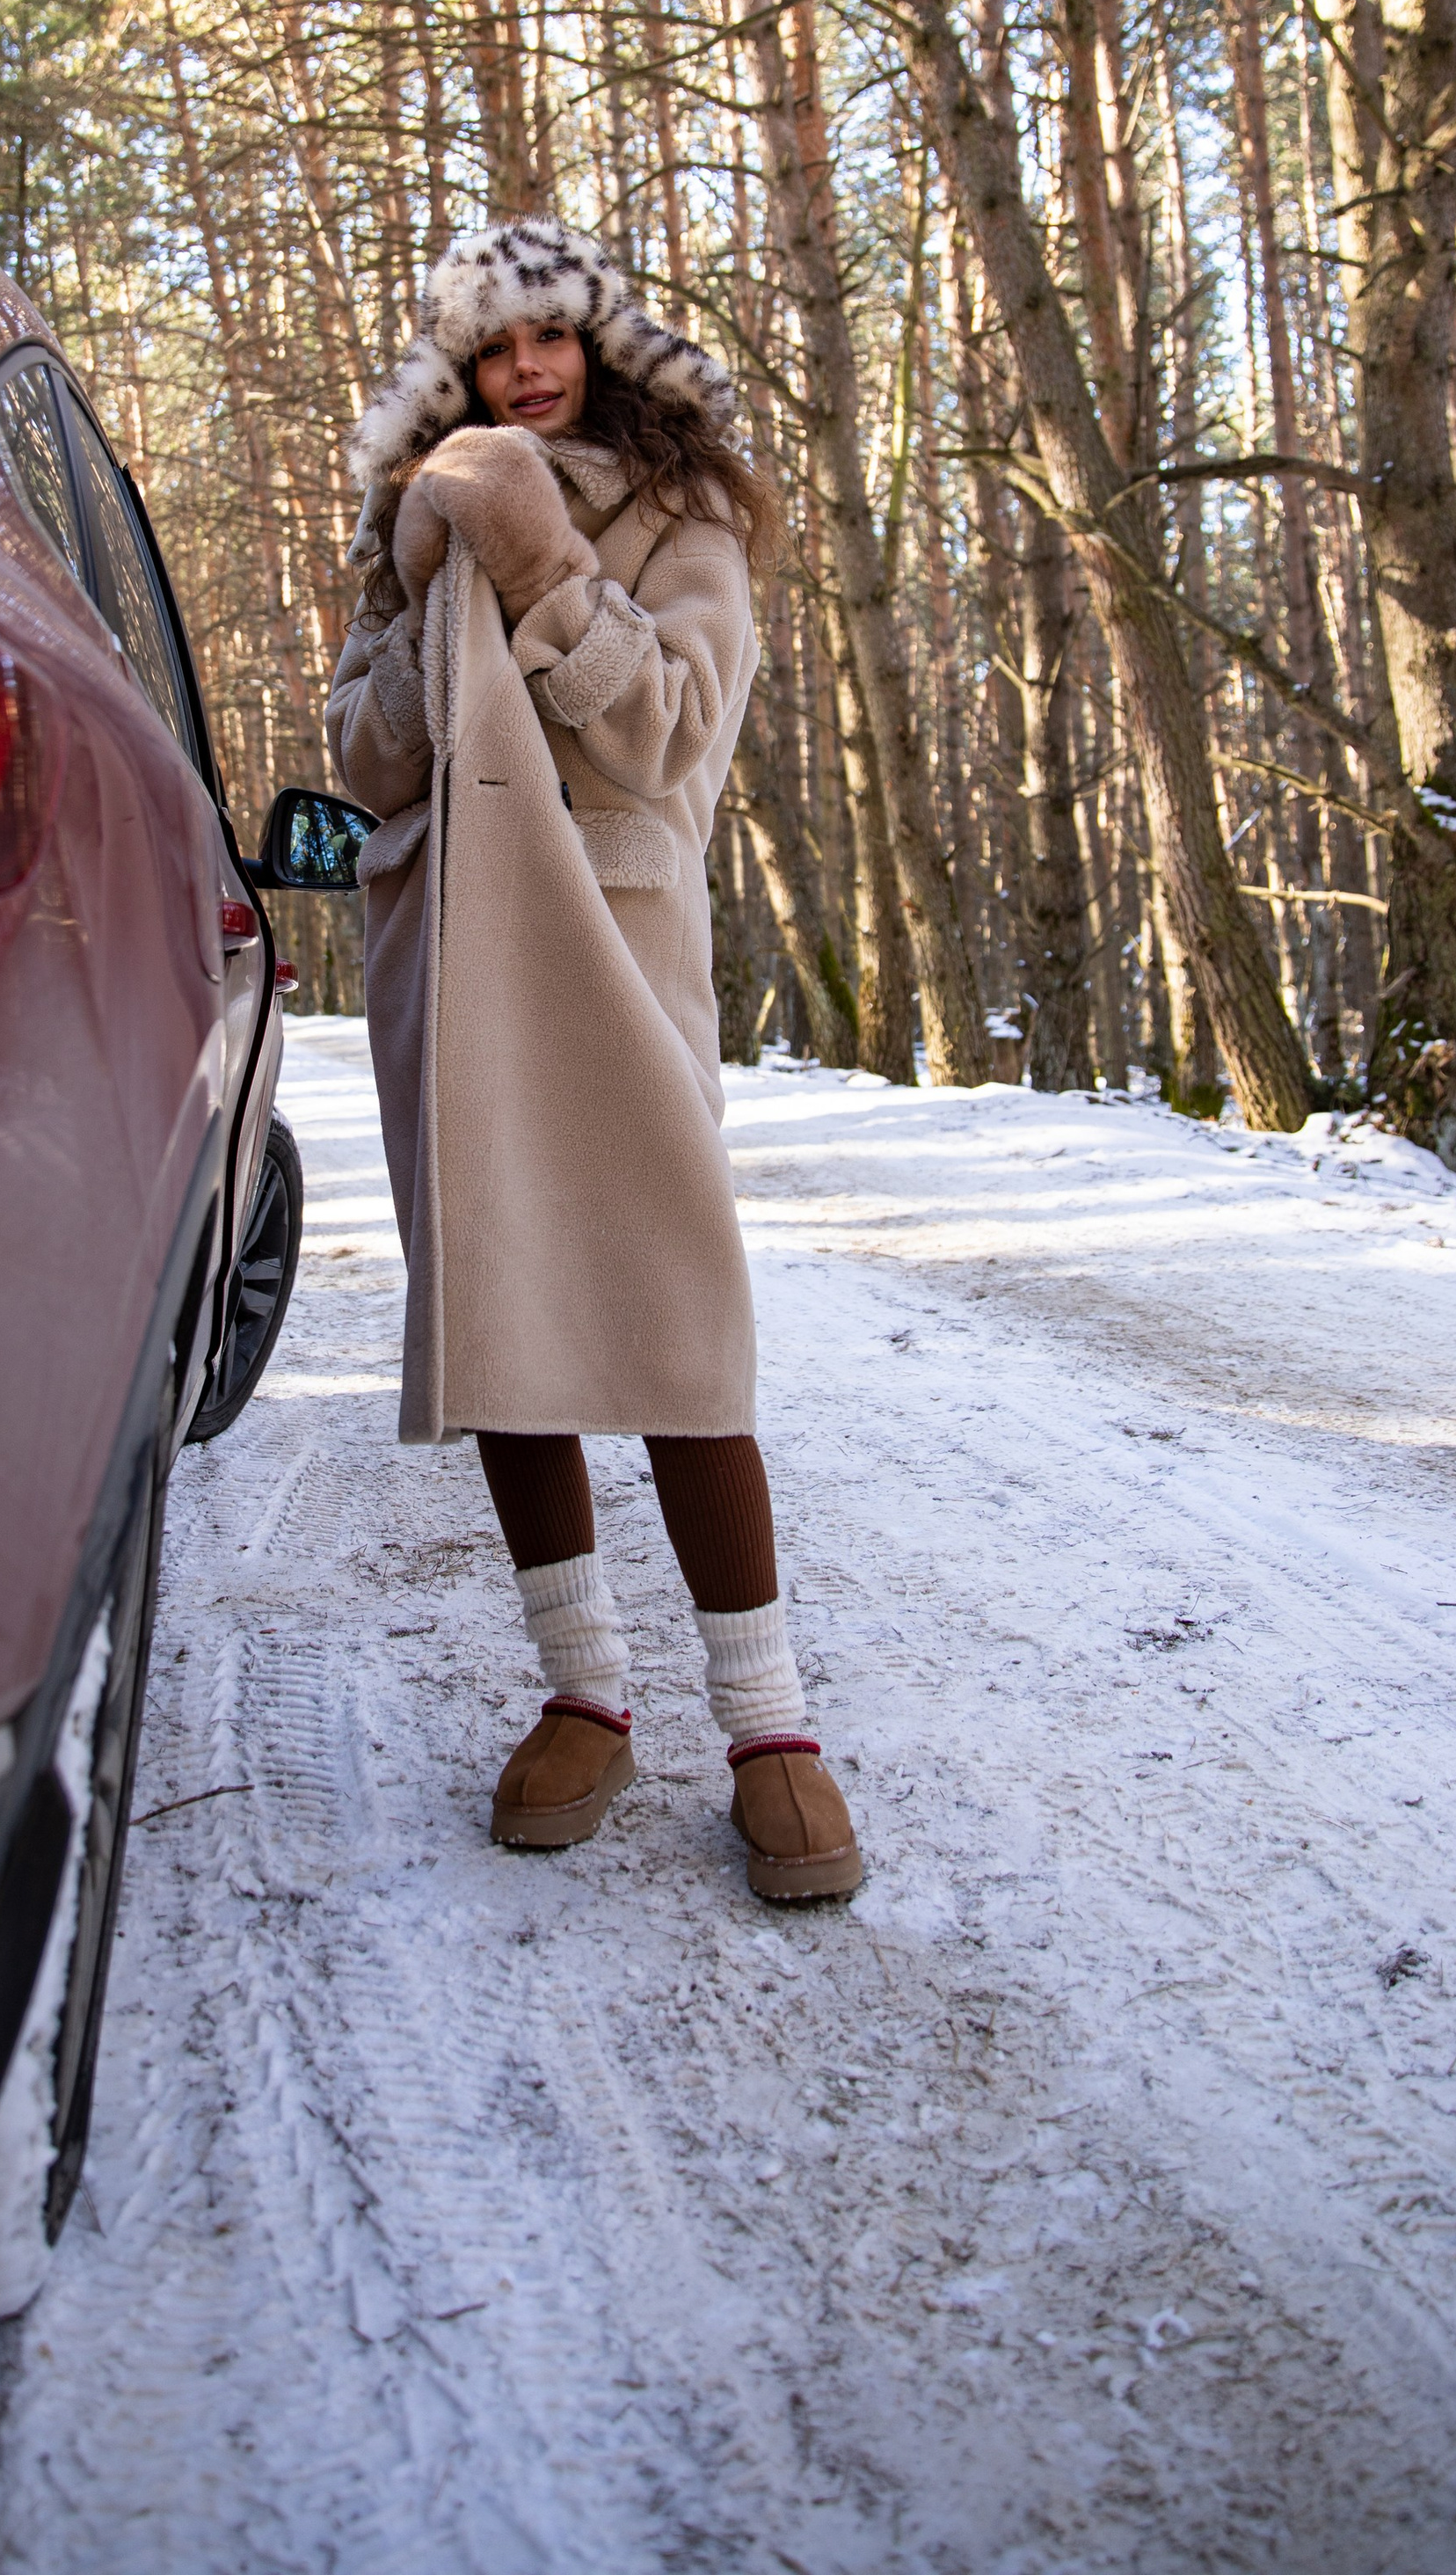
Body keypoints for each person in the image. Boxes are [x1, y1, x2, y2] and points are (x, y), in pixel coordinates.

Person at [326, 219, 862, 1903]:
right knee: (510, 1330)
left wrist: (547, 559)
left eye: (553, 336)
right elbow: (360, 754)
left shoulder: (685, 513)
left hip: (616, 951)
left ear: (604, 346)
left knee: (671, 1318)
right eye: (496, 351)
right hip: (454, 958)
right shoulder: (406, 525)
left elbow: (675, 734)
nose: (529, 369)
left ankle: (769, 1725)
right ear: (460, 374)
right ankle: (587, 1692)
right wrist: (431, 576)